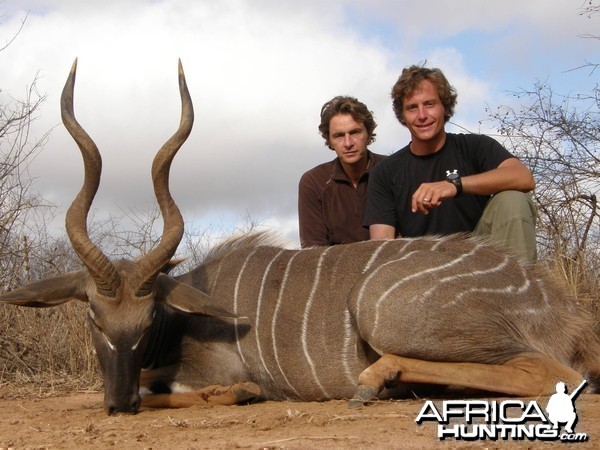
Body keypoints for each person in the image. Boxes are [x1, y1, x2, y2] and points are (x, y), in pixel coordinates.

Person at [364, 65, 537, 264]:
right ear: (402, 115)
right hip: (423, 270)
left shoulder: (475, 146)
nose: (422, 115)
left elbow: (523, 178)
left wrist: (454, 185)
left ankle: (521, 291)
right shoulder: (385, 172)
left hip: (484, 261)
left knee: (512, 199)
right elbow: (381, 245)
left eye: (429, 104)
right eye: (412, 107)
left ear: (445, 106)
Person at [298, 96, 386, 248]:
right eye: (339, 136)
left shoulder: (393, 169)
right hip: (337, 270)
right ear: (330, 141)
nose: (348, 143)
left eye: (355, 132)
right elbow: (313, 254)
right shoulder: (314, 182)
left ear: (369, 134)